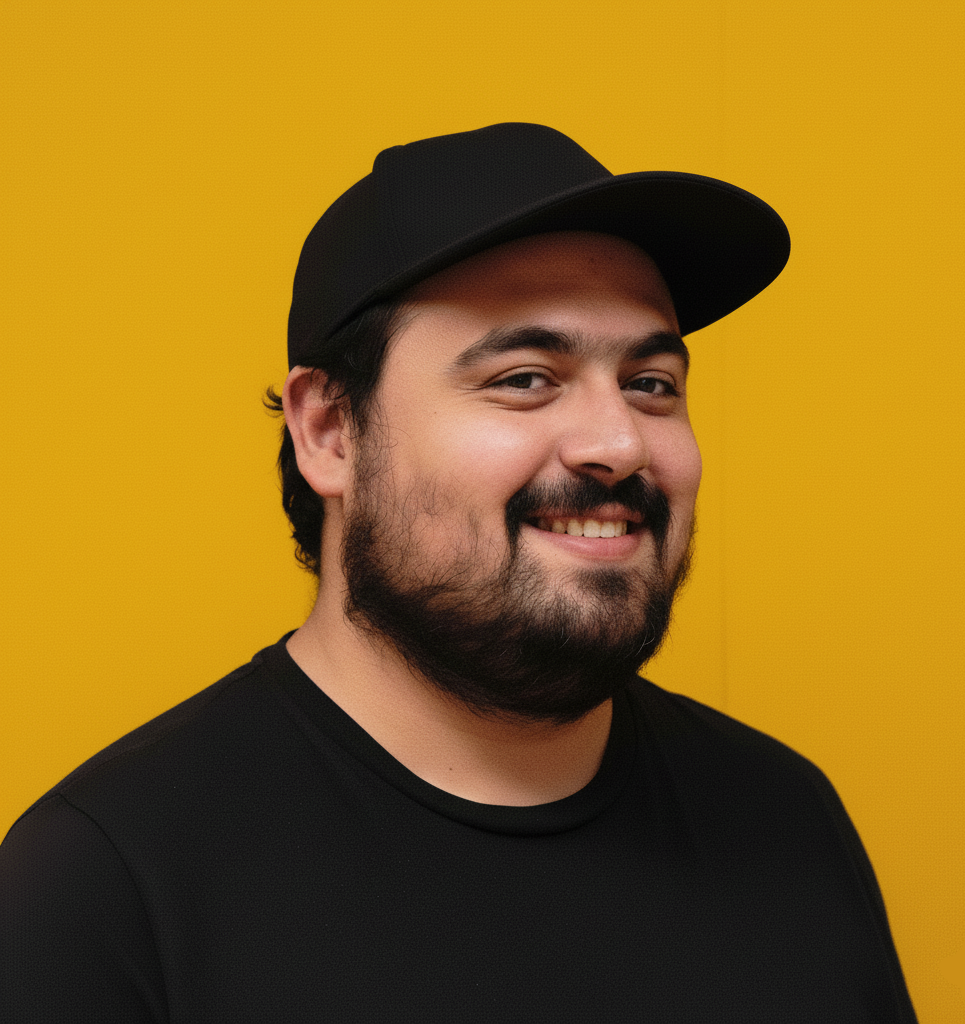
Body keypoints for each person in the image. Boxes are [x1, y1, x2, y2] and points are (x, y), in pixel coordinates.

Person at [0, 123, 918, 1022]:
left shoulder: (784, 816)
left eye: (651, 384)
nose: (619, 443)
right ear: (330, 432)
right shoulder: (104, 888)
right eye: (525, 377)